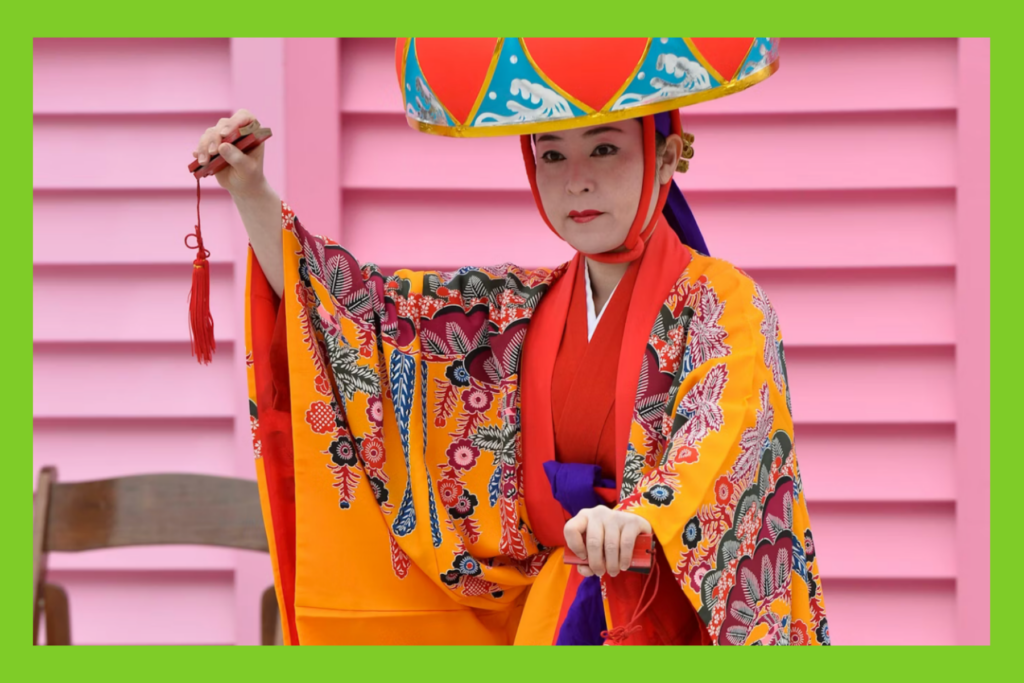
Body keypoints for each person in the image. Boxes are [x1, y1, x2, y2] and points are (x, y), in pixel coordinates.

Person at [192, 37, 828, 646]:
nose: (575, 180)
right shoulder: (515, 312)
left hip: (666, 622)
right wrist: (249, 189)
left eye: (604, 149)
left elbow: (724, 436)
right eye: (551, 154)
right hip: (550, 618)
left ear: (666, 155)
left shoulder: (724, 304)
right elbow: (359, 318)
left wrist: (645, 516)